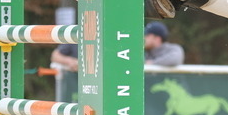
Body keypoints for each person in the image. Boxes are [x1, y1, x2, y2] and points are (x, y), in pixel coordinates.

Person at [52, 21, 185, 69]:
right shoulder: (142, 51)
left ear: (157, 38)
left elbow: (175, 58)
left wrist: (150, 65)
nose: (142, 39)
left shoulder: (172, 49)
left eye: (146, 36)